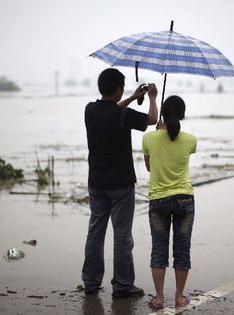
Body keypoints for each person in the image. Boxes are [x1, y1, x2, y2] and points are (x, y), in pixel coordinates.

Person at [82, 68, 158, 298]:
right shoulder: (122, 115)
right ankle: (123, 285)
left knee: (95, 232)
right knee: (122, 235)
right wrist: (152, 98)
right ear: (118, 89)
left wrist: (134, 98)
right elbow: (153, 119)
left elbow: (112, 110)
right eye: (122, 88)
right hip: (121, 185)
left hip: (96, 183)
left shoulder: (90, 110)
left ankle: (91, 282)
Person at [142, 95, 196, 309]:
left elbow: (149, 167)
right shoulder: (191, 140)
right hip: (185, 200)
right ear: (182, 114)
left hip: (158, 201)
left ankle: (159, 298)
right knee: (182, 250)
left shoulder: (149, 138)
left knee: (159, 250)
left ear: (162, 114)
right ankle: (179, 298)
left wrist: (157, 133)